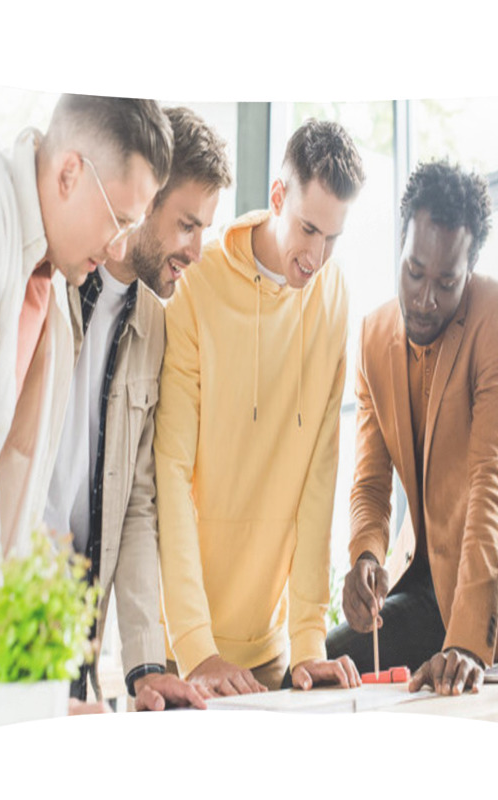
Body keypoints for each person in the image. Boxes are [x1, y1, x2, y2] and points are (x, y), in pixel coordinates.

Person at [0, 91, 173, 734]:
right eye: (120, 218)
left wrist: (28, 704)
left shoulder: (57, 296)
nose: (123, 242)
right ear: (70, 172)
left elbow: (13, 515)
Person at [155, 119, 366, 696]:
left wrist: (308, 643)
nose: (316, 256)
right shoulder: (198, 284)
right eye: (308, 229)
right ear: (278, 198)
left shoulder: (333, 296)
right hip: (182, 652)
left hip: (271, 654)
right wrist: (195, 648)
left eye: (332, 238)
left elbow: (319, 477)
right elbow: (170, 470)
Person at [45, 106, 232, 712]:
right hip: (16, 601)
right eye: (186, 225)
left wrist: (146, 666)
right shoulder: (55, 276)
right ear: (144, 201)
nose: (197, 250)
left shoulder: (156, 322)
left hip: (77, 634)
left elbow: (138, 503)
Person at [326, 160, 498, 696]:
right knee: (321, 664)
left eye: (446, 282)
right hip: (414, 586)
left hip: (473, 588)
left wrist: (465, 643)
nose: (424, 298)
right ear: (400, 245)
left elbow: (492, 483)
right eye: (414, 272)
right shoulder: (372, 337)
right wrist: (365, 556)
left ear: (471, 267)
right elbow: (371, 481)